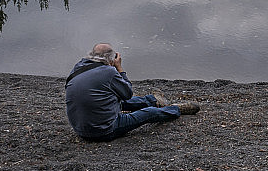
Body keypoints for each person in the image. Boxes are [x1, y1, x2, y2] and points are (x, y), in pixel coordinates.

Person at [65, 43, 199, 141]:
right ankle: (175, 109)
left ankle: (153, 100)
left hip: (80, 129)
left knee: (114, 99)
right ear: (112, 59)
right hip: (103, 130)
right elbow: (127, 93)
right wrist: (119, 68)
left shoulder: (78, 68)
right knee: (149, 113)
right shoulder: (109, 72)